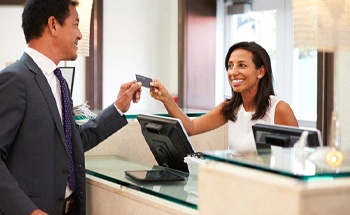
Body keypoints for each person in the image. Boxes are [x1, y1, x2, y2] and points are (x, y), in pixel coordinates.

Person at [0, 0, 142, 214]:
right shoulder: (15, 79)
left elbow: (73, 142)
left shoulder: (60, 82)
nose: (80, 35)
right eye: (75, 25)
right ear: (53, 25)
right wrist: (29, 211)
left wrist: (118, 108)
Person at [150, 41, 298, 152]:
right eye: (230, 65)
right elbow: (191, 128)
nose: (233, 72)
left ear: (261, 72)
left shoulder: (279, 110)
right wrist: (166, 99)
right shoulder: (229, 108)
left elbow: (298, 157)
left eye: (242, 65)